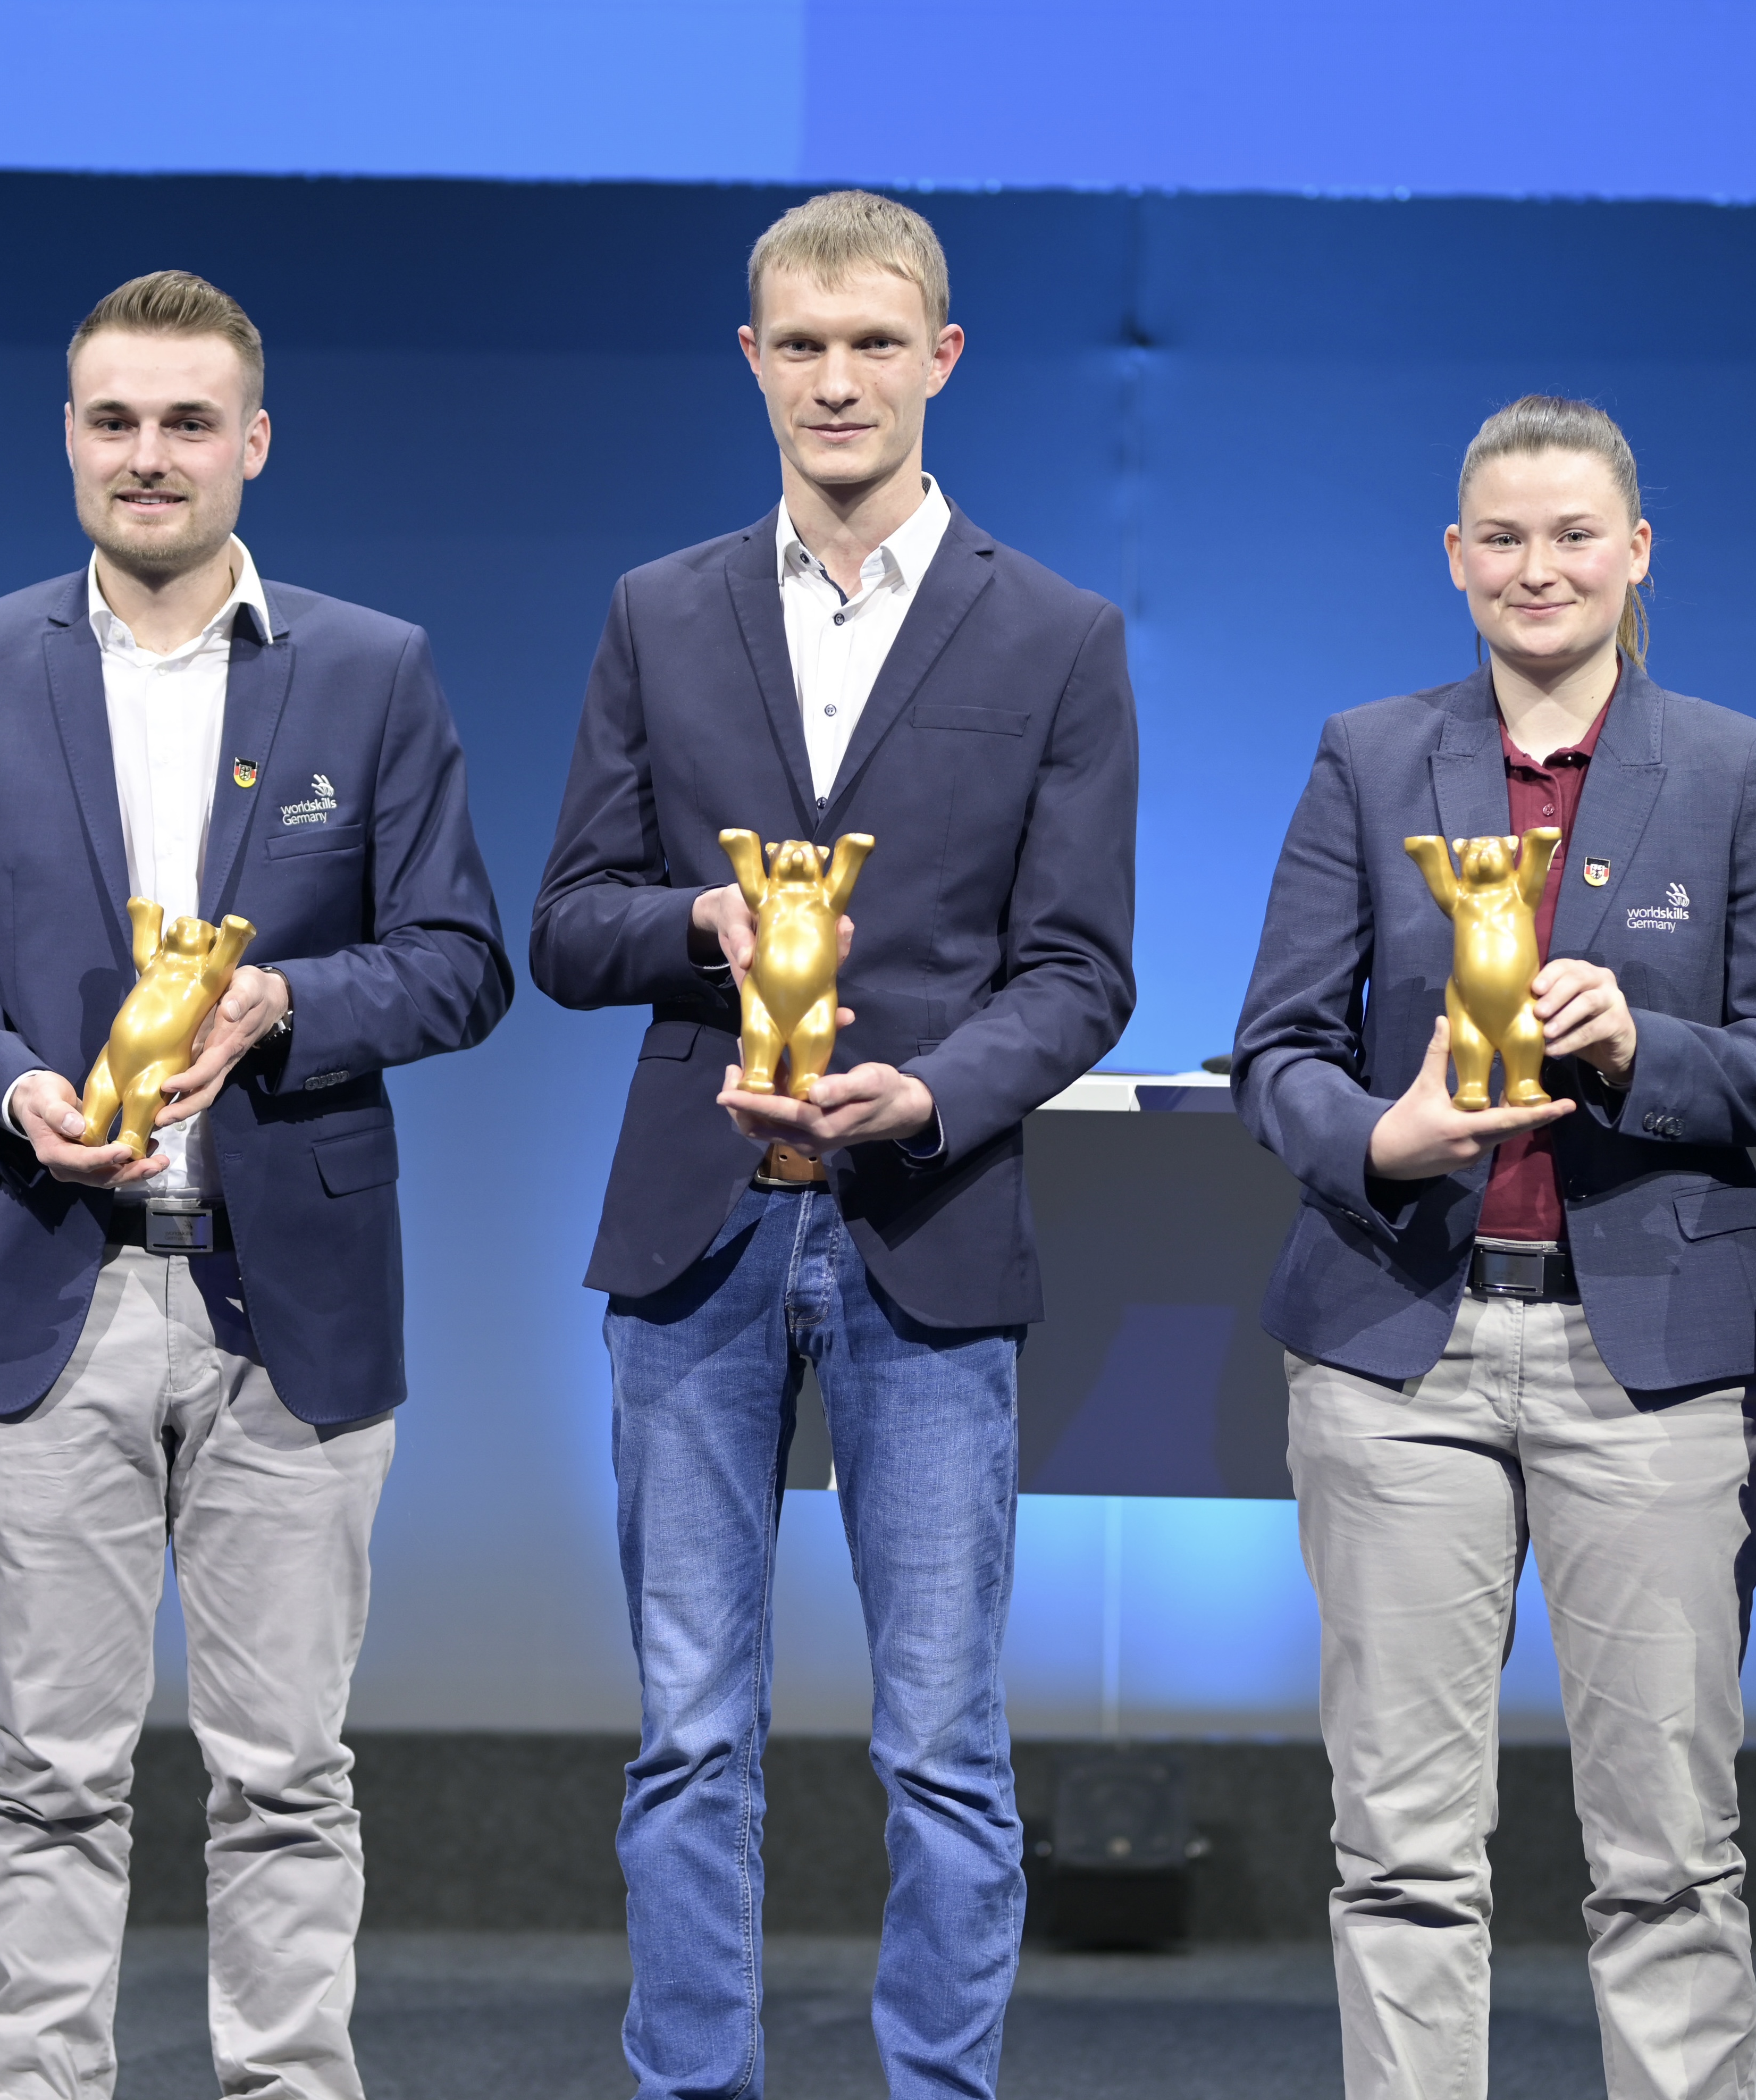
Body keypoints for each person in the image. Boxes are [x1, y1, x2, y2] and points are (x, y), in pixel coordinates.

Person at [531, 190, 1137, 2100]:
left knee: (941, 1739)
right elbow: (565, 924)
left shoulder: (1056, 634)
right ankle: (693, 2084)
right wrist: (699, 927)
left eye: (876, 343)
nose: (838, 379)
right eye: (802, 345)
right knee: (689, 1732)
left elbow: (1083, 969)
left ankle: (934, 2089)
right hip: (695, 1243)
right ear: (752, 362)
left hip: (925, 1228)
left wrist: (941, 1090)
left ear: (943, 359)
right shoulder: (660, 609)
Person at [0, 271, 510, 2100]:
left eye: (183, 422)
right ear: (70, 438)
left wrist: (287, 1002)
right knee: (51, 1769)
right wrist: (12, 1095)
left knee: (287, 1772)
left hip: (288, 1307)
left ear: (252, 443)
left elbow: (462, 958)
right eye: (111, 420)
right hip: (46, 1279)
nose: (146, 456)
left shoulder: (370, 667)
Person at [1234, 396, 1756, 2100]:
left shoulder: (1737, 770)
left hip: (1650, 1364)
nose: (1538, 567)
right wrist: (1381, 1134)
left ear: (1636, 550)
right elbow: (1274, 1049)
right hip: (1397, 1352)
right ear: (1455, 558)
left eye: (1575, 532)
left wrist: (1647, 1049)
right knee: (1403, 1853)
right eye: (1501, 536)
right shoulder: (1369, 756)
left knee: (1666, 1857)